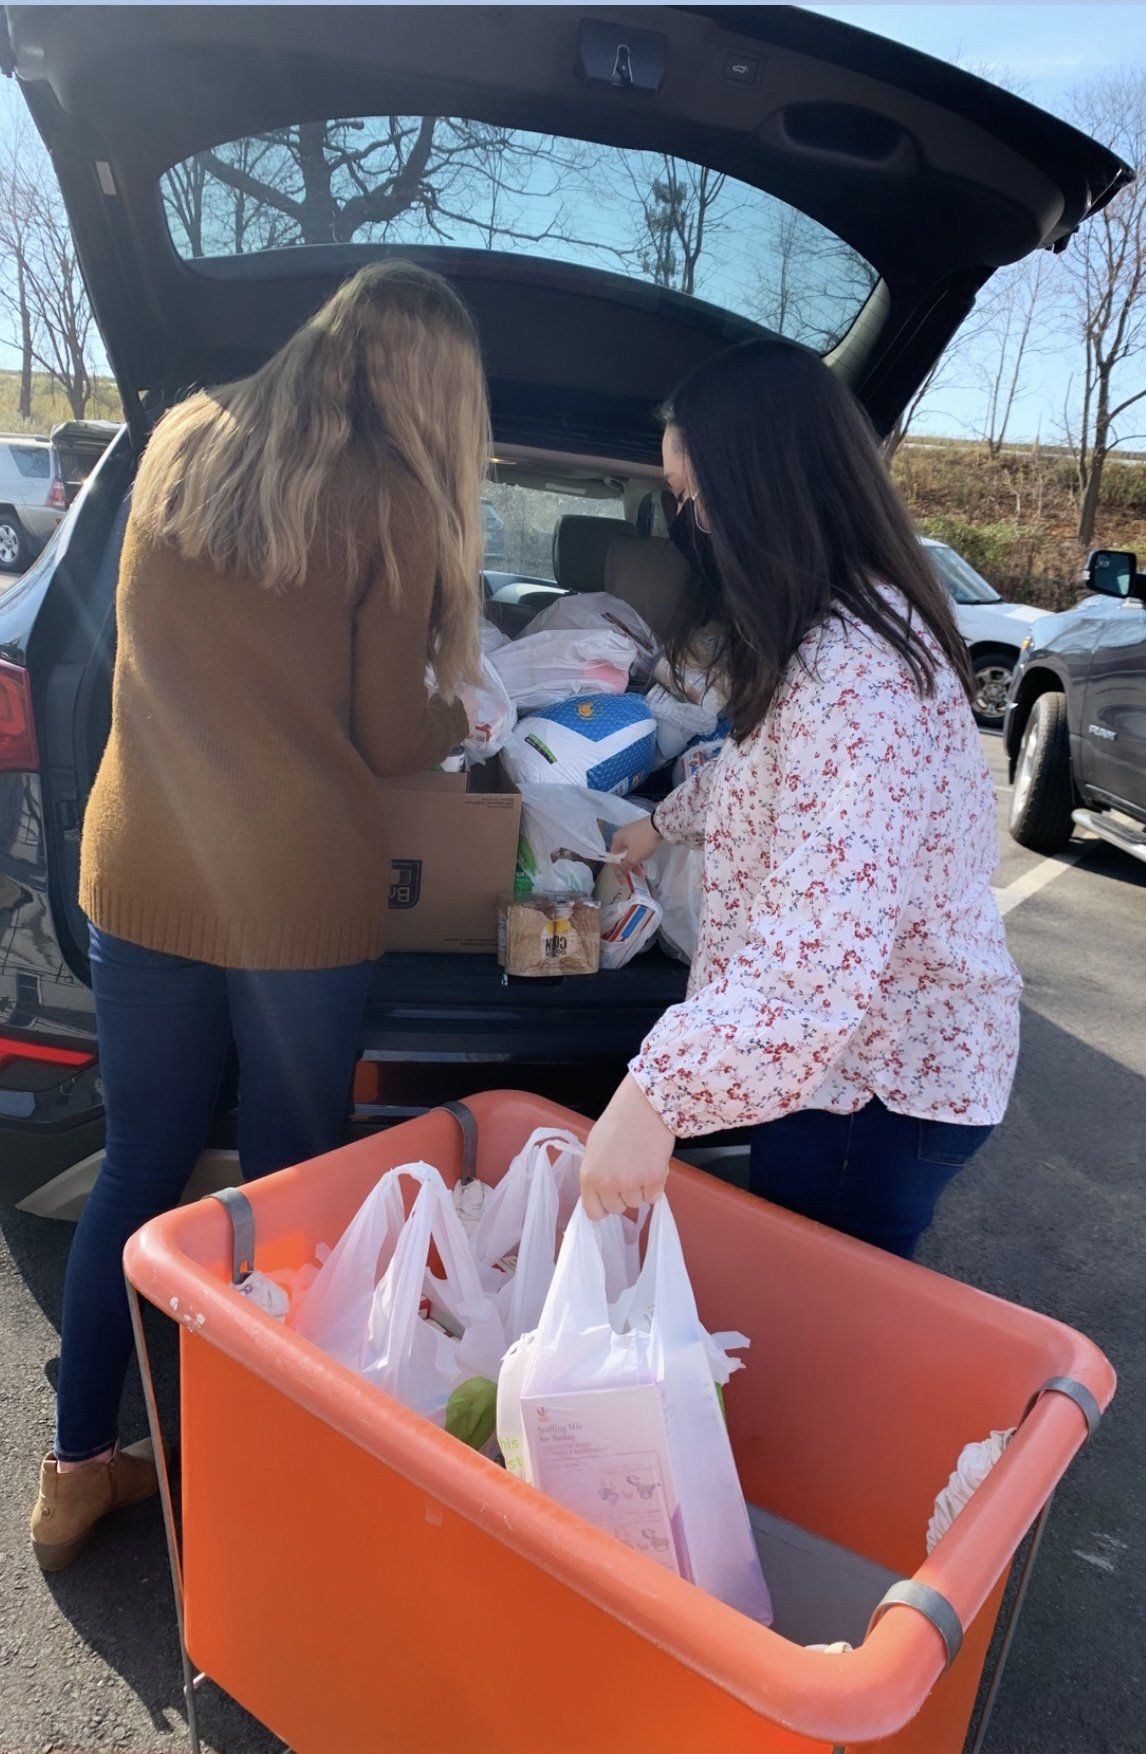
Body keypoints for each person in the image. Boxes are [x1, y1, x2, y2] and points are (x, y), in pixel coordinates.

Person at [30, 261, 489, 1571]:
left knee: (140, 1164)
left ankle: (75, 1471)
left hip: (142, 870)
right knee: (289, 1187)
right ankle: (250, 1475)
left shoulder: (182, 434)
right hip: (294, 902)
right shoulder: (391, 499)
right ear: (426, 386)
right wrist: (472, 709)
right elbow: (393, 735)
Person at [580, 339, 1021, 1256]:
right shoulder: (843, 632)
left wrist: (656, 1094)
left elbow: (822, 946)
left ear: (760, 491)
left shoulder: (854, 675)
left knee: (818, 1319)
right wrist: (659, 825)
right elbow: (767, 776)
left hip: (870, 1087)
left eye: (694, 497)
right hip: (849, 1073)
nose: (693, 525)